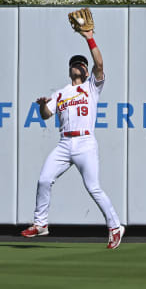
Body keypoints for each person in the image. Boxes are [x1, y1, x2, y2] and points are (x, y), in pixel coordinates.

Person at [20, 22, 125, 250]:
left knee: (93, 187)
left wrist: (89, 38)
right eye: (74, 64)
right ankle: (41, 224)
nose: (77, 67)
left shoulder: (91, 87)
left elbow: (99, 63)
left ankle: (115, 226)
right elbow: (47, 115)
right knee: (44, 180)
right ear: (70, 70)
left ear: (86, 70)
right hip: (65, 142)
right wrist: (41, 106)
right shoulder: (61, 93)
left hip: (85, 142)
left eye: (81, 64)